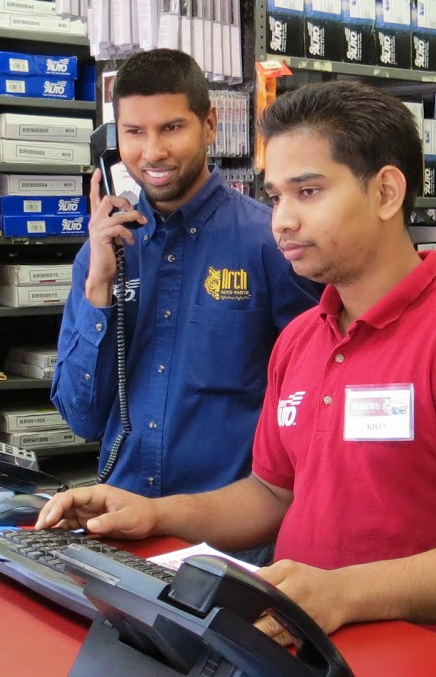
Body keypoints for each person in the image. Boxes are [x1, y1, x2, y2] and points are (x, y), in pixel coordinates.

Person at [38, 81, 436, 644]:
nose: (281, 221)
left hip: (421, 656)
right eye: (275, 197)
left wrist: (344, 593)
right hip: (298, 646)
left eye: (308, 192)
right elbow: (270, 494)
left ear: (387, 192)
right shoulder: (300, 340)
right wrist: (155, 514)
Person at [52, 50, 318, 498]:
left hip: (236, 531)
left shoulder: (272, 243)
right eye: (134, 132)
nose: (153, 152)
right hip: (126, 515)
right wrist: (98, 288)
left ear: (209, 125)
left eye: (171, 128)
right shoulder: (101, 254)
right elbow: (82, 418)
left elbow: (311, 403)